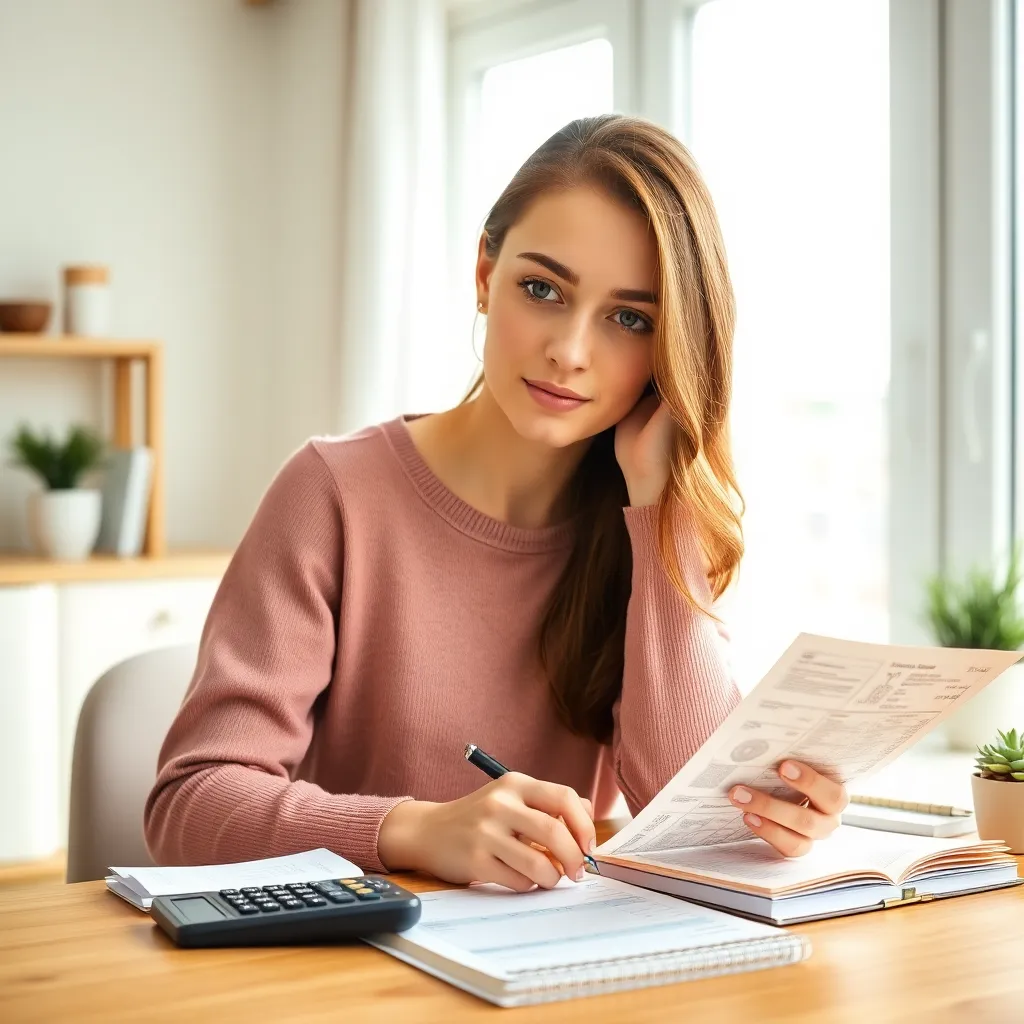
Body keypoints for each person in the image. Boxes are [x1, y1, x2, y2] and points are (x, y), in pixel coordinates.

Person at [145, 114, 847, 891]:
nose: (570, 351)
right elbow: (189, 808)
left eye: (628, 319)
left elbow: (690, 819)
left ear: (670, 346)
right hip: (351, 977)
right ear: (485, 274)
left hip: (548, 982)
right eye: (541, 289)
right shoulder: (333, 494)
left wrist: (661, 506)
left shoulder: (641, 526)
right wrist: (415, 830)